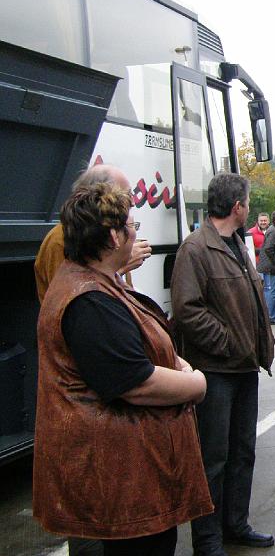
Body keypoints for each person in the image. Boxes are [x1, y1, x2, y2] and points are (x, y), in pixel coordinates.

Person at [33, 183, 212, 556]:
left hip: (125, 477)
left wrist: (172, 361)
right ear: (114, 236)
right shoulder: (89, 300)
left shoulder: (92, 283)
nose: (136, 232)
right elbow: (135, 383)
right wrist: (195, 383)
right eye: (132, 224)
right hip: (120, 480)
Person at [33, 164, 152, 556]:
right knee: (92, 520)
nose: (130, 209)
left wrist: (121, 268)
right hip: (87, 410)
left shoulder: (101, 253)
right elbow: (79, 316)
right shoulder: (61, 243)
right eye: (124, 201)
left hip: (107, 413)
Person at [171, 172, 275, 556]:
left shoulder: (236, 243)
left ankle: (236, 525)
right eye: (247, 202)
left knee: (243, 452)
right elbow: (187, 310)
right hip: (215, 373)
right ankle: (208, 540)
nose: (249, 208)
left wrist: (260, 341)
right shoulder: (195, 248)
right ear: (237, 206)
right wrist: (230, 344)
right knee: (213, 460)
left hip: (244, 369)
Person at [34, 164, 152, 303]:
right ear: (98, 196)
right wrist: (122, 266)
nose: (132, 202)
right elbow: (71, 299)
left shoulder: (107, 231)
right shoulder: (62, 238)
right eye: (125, 194)